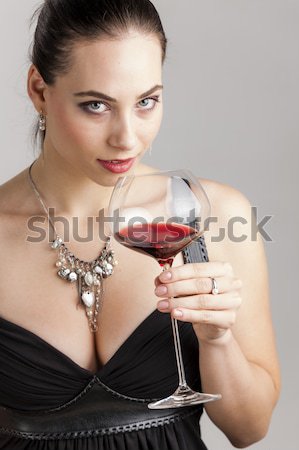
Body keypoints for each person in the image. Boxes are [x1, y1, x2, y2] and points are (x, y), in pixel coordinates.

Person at [0, 0, 280, 449]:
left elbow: (249, 430)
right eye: (96, 105)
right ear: (38, 90)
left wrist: (218, 338)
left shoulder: (212, 214)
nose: (128, 138)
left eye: (147, 101)